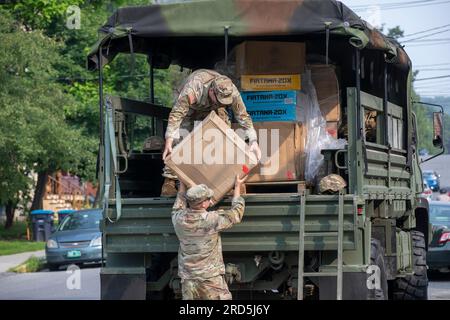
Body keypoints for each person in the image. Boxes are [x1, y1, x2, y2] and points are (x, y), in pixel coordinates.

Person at [161, 69, 261, 196]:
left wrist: (253, 140)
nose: (222, 102)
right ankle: (170, 180)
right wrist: (169, 139)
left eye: (225, 100)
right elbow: (177, 114)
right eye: (219, 99)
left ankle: (227, 181)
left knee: (225, 136)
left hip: (213, 109)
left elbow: (243, 116)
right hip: (191, 108)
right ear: (212, 91)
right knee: (181, 136)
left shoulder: (231, 91)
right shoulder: (194, 88)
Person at [171, 174, 247, 300]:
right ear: (203, 204)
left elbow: (179, 204)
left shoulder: (178, 219)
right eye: (208, 199)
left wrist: (182, 185)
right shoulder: (212, 219)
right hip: (210, 280)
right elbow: (236, 213)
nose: (210, 200)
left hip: (188, 279)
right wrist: (237, 187)